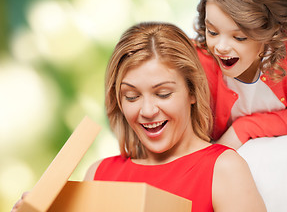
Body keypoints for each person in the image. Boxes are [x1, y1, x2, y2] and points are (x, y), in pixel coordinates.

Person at [11, 22, 266, 212]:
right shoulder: (99, 173)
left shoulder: (223, 169)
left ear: (191, 91)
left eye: (163, 93)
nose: (147, 111)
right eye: (131, 96)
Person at [194, 0, 287, 149]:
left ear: (269, 32)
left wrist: (245, 128)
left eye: (239, 37)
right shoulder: (197, 62)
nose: (220, 47)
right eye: (212, 32)